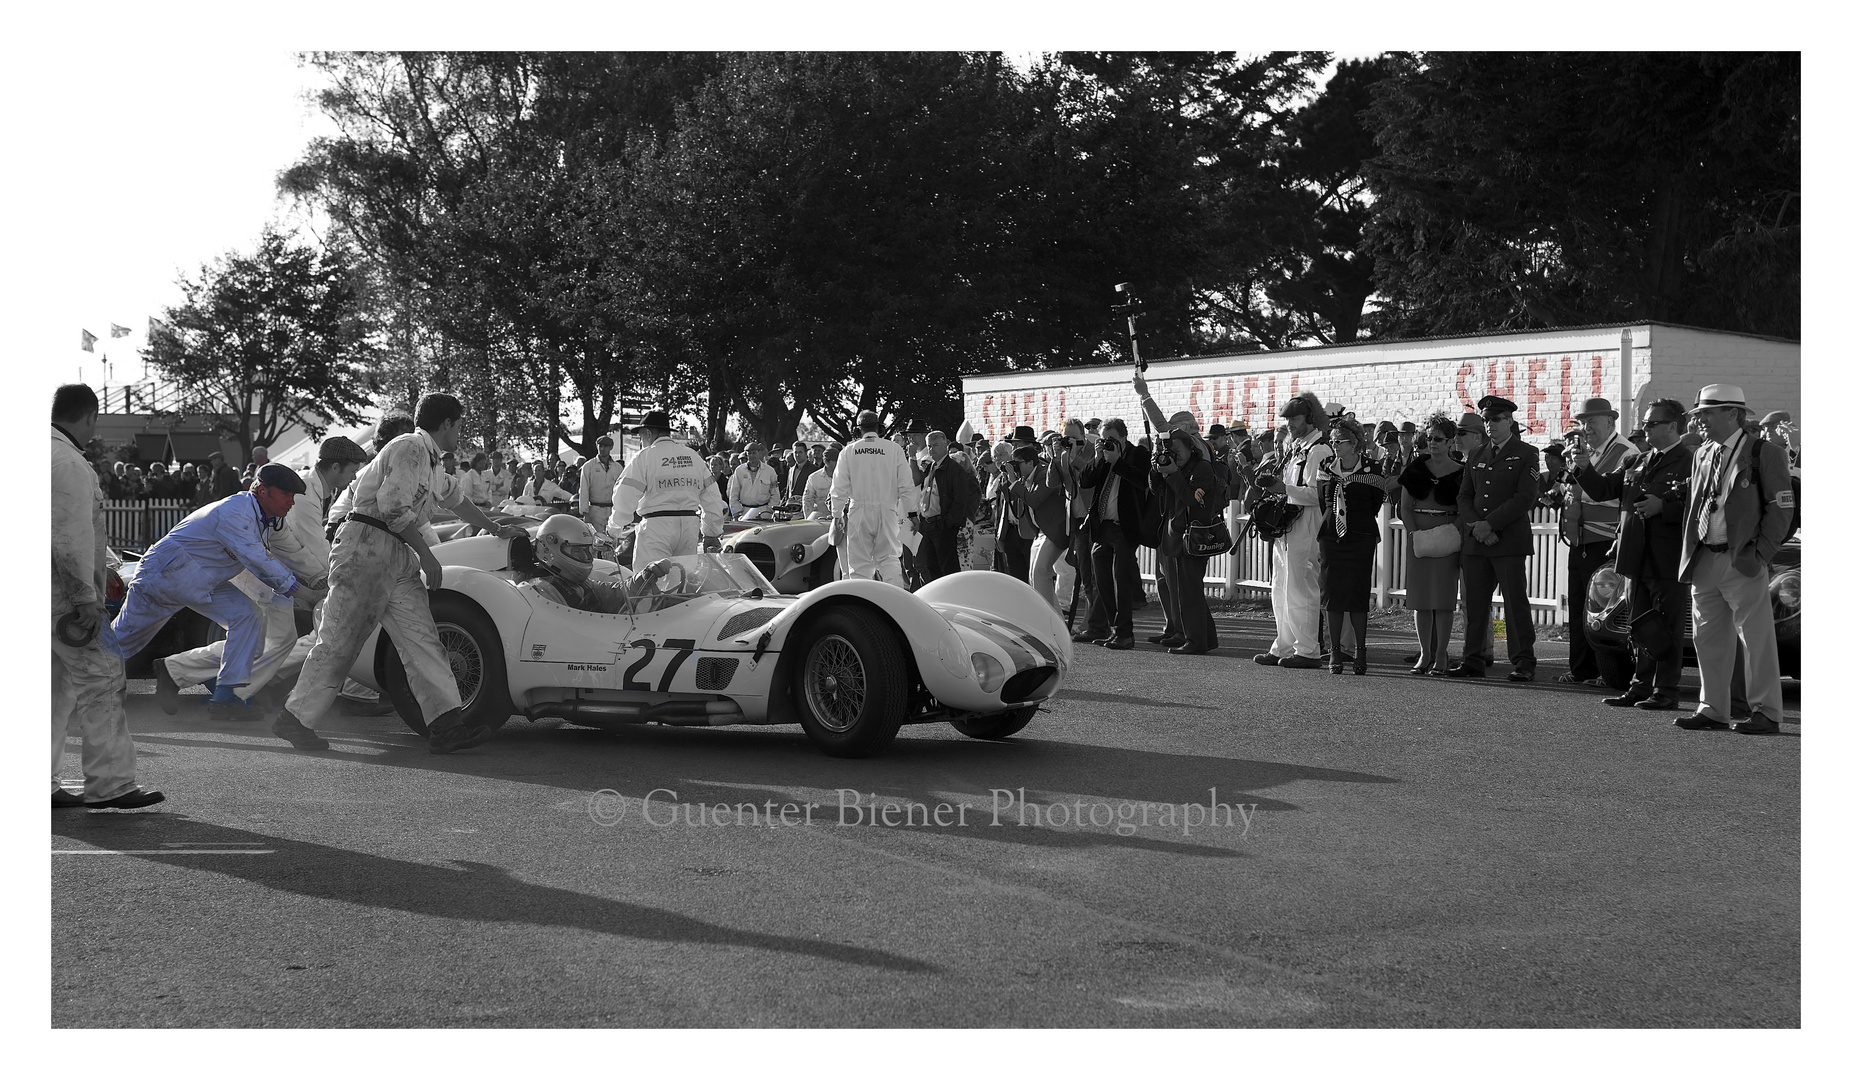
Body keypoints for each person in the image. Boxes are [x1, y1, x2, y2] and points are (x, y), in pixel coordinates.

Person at [269, 393, 528, 754]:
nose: (460, 433)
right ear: (448, 424)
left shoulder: (433, 462)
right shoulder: (409, 448)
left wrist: (494, 526)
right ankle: (294, 719)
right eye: (459, 425)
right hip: (366, 547)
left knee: (422, 638)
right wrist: (427, 556)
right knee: (340, 641)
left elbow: (456, 499)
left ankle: (446, 724)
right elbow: (393, 508)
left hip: (392, 553)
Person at [157, 437, 375, 716]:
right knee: (268, 642)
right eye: (352, 470)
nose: (354, 477)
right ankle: (222, 691)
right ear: (335, 467)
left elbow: (298, 545)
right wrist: (329, 579)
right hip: (262, 572)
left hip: (270, 572)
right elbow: (310, 545)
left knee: (269, 642)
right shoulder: (307, 492)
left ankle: (208, 683)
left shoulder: (316, 488)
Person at [107, 462, 318, 716]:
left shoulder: (268, 520)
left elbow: (292, 550)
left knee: (247, 615)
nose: (291, 502)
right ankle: (68, 686)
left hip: (200, 580)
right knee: (122, 640)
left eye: (293, 496)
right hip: (163, 575)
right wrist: (306, 594)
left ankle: (226, 697)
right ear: (263, 490)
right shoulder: (235, 512)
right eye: (286, 494)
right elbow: (260, 561)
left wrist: (320, 578)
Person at [51, 384, 164, 810]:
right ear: (90, 418)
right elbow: (69, 537)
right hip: (61, 598)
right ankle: (111, 784)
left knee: (52, 688)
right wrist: (85, 599)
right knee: (103, 679)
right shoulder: (68, 463)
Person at [1673, 385, 1794, 735]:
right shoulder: (1701, 454)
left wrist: (1761, 554)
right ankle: (1713, 709)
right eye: (1698, 414)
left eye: (1707, 413)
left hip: (1742, 559)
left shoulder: (1765, 452)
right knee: (1708, 640)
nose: (1699, 420)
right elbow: (1695, 507)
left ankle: (1766, 712)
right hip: (1705, 558)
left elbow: (1782, 507)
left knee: (1755, 640)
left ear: (1733, 414)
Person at [1571, 398, 1696, 711]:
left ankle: (1666, 690)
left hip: (1667, 559)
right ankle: (1639, 686)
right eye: (1645, 423)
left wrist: (1664, 507)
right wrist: (1583, 468)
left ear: (1673, 426)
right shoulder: (1635, 461)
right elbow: (1602, 491)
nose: (1645, 428)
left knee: (1666, 627)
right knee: (1638, 627)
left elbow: (1700, 507)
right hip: (1634, 557)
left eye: (1653, 423)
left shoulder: (1690, 461)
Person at [1547, 397, 1641, 686]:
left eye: (1592, 422)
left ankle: (1607, 671)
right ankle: (1582, 669)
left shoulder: (1626, 451)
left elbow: (1611, 493)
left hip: (1606, 541)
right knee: (1578, 607)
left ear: (1610, 422)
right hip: (1581, 541)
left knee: (1606, 610)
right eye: (1583, 423)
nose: (1586, 428)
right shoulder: (1588, 452)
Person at [1449, 395, 1540, 682]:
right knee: (1475, 604)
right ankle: (1473, 658)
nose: (1490, 425)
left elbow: (1525, 497)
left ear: (1510, 421)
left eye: (1496, 419)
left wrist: (1490, 525)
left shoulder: (1527, 453)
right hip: (1477, 540)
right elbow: (1465, 495)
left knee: (1515, 603)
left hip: (1508, 540)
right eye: (1486, 420)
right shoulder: (1476, 454)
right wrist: (1477, 525)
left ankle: (1523, 660)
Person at [1253, 392, 1333, 669]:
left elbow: (1319, 495)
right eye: (1287, 419)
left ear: (1309, 418)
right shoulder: (1297, 447)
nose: (1289, 424)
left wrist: (1282, 488)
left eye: (1295, 418)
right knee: (1282, 587)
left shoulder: (1319, 449)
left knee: (1302, 587)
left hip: (1307, 523)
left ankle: (1308, 650)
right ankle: (1283, 645)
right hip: (1289, 524)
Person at [1317, 417, 1397, 674]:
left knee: (1358, 593)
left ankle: (1361, 651)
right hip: (1332, 537)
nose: (1334, 445)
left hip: (1361, 536)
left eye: (1338, 441)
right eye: (1332, 441)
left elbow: (1376, 502)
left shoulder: (1372, 468)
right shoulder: (1326, 466)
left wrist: (1355, 521)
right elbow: (1323, 501)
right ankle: (1335, 652)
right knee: (1332, 594)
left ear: (1354, 444)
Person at [609, 410, 726, 564]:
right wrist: (711, 533)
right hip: (688, 529)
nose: (641, 442)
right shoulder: (693, 457)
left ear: (649, 434)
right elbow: (713, 499)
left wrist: (613, 530)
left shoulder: (644, 458)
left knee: (650, 581)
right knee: (684, 579)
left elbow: (624, 497)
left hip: (656, 529)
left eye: (641, 437)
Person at [1398, 414, 1466, 675]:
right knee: (1421, 600)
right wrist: (1415, 534)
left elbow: (1464, 507)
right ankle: (1424, 654)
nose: (1432, 443)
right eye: (1429, 438)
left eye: (1438, 439)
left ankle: (1440, 656)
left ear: (1450, 442)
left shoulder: (1461, 472)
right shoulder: (1416, 468)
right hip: (1420, 538)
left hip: (1447, 538)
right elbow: (1404, 506)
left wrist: (1451, 531)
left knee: (1444, 600)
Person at [1151, 426, 1228, 654]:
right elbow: (1156, 490)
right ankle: (1207, 638)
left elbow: (1192, 499)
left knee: (1189, 590)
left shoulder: (1202, 468)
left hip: (1195, 536)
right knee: (1189, 588)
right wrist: (1157, 468)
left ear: (1191, 448)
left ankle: (1196, 642)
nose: (1174, 455)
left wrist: (1173, 473)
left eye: (1177, 450)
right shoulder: (1178, 468)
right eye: (1170, 451)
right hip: (1178, 535)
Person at [1077, 418, 1148, 650]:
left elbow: (1142, 481)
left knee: (1121, 581)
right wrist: (1098, 458)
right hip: (1103, 526)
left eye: (1113, 440)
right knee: (1102, 581)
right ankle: (1114, 629)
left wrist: (1118, 462)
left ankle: (1125, 634)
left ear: (1124, 437)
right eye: (1105, 440)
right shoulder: (1104, 456)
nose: (1109, 444)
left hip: (1125, 527)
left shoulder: (1138, 454)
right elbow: (1085, 481)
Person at [831, 410, 919, 584]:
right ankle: (894, 604)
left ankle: (861, 606)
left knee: (858, 566)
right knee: (889, 560)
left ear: (858, 429)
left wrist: (837, 515)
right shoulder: (894, 449)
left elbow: (839, 487)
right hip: (887, 511)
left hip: (859, 514)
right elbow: (906, 485)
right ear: (879, 428)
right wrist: (912, 513)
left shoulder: (849, 451)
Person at [514, 514, 633, 614]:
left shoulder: (575, 582)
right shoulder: (542, 590)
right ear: (548, 549)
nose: (584, 557)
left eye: (586, 550)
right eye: (576, 551)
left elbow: (609, 593)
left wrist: (642, 578)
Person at [916, 430, 975, 584]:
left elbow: (960, 499)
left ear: (945, 446)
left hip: (943, 525)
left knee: (948, 568)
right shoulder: (930, 468)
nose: (931, 449)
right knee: (931, 567)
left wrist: (949, 523)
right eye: (929, 446)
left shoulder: (954, 469)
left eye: (935, 445)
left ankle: (954, 599)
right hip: (929, 524)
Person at [1020, 436, 1072, 610]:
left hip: (1054, 530)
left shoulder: (1043, 472)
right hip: (1041, 531)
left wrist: (1015, 485)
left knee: (1042, 573)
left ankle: (1050, 620)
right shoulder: (1030, 475)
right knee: (1035, 576)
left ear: (1029, 463)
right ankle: (1054, 619)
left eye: (1018, 463)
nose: (1047, 449)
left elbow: (1035, 500)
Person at [989, 430, 1039, 582]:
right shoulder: (1005, 475)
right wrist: (999, 533)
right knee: (1015, 576)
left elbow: (1029, 499)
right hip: (1010, 530)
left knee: (1032, 576)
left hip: (1029, 529)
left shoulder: (1033, 470)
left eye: (1017, 445)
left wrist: (1013, 479)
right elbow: (1002, 507)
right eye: (1013, 445)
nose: (998, 460)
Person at [578, 434, 621, 530]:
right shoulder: (588, 466)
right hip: (595, 510)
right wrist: (585, 513)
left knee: (613, 540)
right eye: (600, 446)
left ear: (611, 447)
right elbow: (584, 490)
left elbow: (621, 491)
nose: (602, 448)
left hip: (612, 510)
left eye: (605, 446)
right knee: (598, 541)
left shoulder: (617, 468)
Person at [730, 443, 784, 517]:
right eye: (749, 453)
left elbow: (775, 494)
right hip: (744, 512)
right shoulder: (739, 470)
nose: (752, 456)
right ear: (746, 454)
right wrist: (737, 512)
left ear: (759, 453)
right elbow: (733, 494)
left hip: (764, 512)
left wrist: (769, 511)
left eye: (754, 453)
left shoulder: (770, 471)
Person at [802, 444, 841, 520]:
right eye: (835, 461)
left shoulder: (844, 477)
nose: (838, 464)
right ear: (826, 461)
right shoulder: (814, 478)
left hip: (839, 518)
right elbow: (807, 501)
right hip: (819, 518)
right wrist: (809, 520)